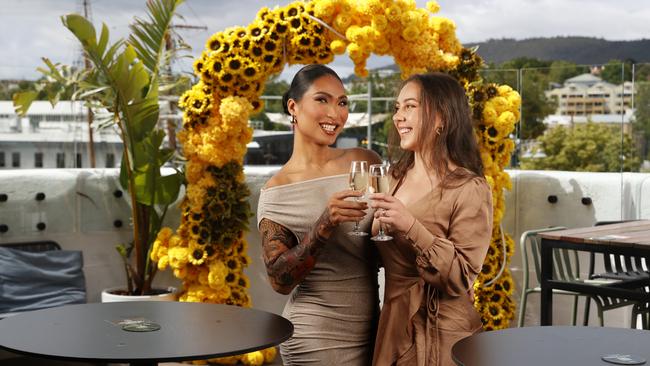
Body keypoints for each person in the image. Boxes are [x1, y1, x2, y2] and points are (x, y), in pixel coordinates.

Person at [257, 64, 382, 365]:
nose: (336, 113)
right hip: (316, 337)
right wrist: (326, 223)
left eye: (342, 102)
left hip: (377, 330)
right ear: (293, 107)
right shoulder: (277, 190)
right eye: (322, 100)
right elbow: (279, 281)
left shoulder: (365, 161)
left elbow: (389, 236)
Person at [369, 72, 493, 366]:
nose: (399, 116)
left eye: (410, 106)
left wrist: (410, 226)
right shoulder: (392, 178)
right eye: (397, 108)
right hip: (393, 323)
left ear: (441, 118)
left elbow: (462, 277)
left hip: (443, 333)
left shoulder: (469, 188)